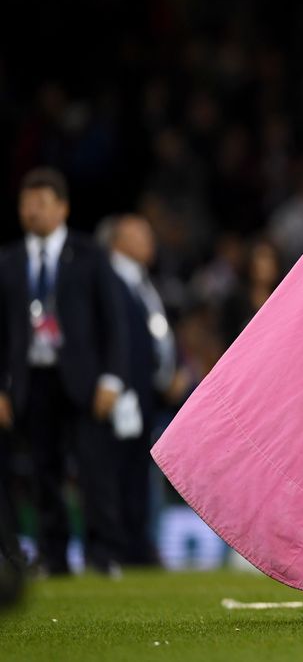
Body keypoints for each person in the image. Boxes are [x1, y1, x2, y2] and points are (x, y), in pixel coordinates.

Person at [0, 168, 129, 575]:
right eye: (26, 203)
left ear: (63, 208)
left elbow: (115, 322)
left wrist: (112, 378)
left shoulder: (89, 255)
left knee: (94, 469)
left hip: (84, 381)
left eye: (41, 202)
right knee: (43, 470)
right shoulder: (9, 261)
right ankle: (54, 556)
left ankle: (103, 553)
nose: (32, 211)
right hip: (31, 380)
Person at [99, 214, 177, 565]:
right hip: (118, 392)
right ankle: (116, 546)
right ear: (117, 241)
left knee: (136, 471)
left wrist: (170, 372)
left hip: (146, 391)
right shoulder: (106, 279)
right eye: (139, 235)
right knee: (114, 469)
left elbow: (156, 335)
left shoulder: (142, 281)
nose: (150, 240)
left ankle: (135, 544)